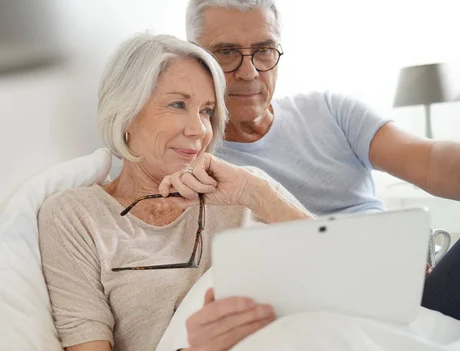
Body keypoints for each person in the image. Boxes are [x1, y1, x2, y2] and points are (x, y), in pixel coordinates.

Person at [38, 33, 313, 351]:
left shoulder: (245, 190)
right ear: (127, 114)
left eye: (207, 111)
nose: (199, 130)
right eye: (178, 105)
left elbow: (345, 269)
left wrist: (255, 193)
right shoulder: (76, 216)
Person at [185, 0, 460, 216]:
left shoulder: (331, 111)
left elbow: (432, 162)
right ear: (194, 58)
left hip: (402, 276)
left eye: (264, 49)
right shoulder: (191, 156)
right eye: (226, 52)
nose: (250, 72)